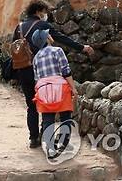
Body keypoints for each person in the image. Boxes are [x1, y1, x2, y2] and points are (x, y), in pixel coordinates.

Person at [13, 0, 94, 148]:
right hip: (45, 74)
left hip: (24, 71)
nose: (46, 15)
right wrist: (82, 47)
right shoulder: (43, 26)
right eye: (45, 12)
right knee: (47, 105)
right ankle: (49, 136)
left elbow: (14, 50)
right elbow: (62, 38)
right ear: (38, 11)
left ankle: (33, 138)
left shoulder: (19, 28)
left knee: (31, 106)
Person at [31, 29, 77, 158]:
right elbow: (66, 71)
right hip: (60, 88)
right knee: (65, 117)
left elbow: (36, 78)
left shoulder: (36, 57)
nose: (50, 35)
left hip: (43, 90)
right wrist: (73, 88)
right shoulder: (57, 51)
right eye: (48, 34)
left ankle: (50, 148)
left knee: (47, 119)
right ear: (46, 39)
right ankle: (64, 143)